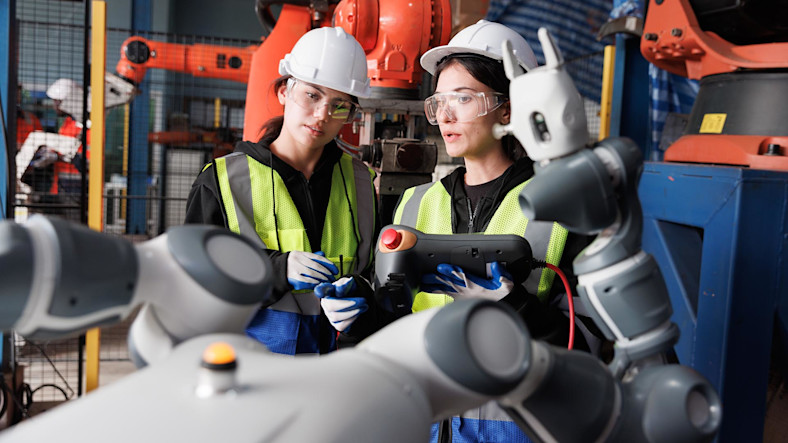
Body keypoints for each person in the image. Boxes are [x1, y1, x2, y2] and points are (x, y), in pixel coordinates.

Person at [184, 27, 379, 355]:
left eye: (340, 105)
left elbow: (374, 277)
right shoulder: (222, 181)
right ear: (284, 92)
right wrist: (275, 270)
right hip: (248, 370)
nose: (322, 115)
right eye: (312, 95)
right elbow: (192, 282)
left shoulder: (361, 183)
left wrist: (358, 299)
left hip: (336, 374)